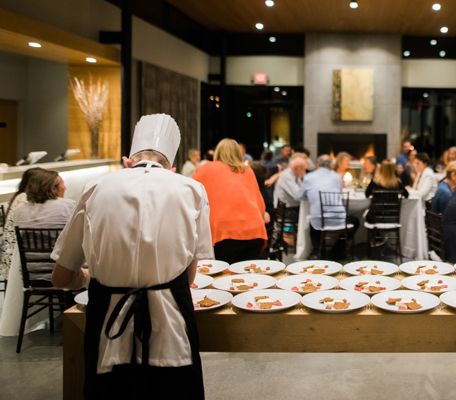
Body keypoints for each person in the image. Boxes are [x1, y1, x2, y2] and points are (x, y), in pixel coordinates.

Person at [51, 113, 212, 399]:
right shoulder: (192, 190)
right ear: (171, 168)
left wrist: (87, 277)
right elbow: (188, 277)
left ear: (128, 162)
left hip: (106, 325)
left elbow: (61, 277)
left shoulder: (95, 187)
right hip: (171, 327)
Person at [0, 168, 75, 337]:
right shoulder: (68, 206)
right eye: (63, 184)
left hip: (31, 276)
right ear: (53, 188)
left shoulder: (20, 210)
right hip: (60, 274)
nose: (66, 187)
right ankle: (78, 324)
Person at [194, 138, 268, 263]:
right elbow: (260, 206)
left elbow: (192, 198)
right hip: (254, 231)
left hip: (224, 232)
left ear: (217, 152)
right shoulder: (247, 170)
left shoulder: (206, 169)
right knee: (250, 276)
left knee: (226, 278)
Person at [300, 155, 347, 259]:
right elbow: (339, 193)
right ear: (331, 165)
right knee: (355, 221)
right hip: (338, 219)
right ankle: (337, 249)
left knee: (314, 219)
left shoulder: (308, 177)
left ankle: (317, 251)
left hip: (318, 219)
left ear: (317, 165)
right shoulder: (337, 176)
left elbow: (301, 196)